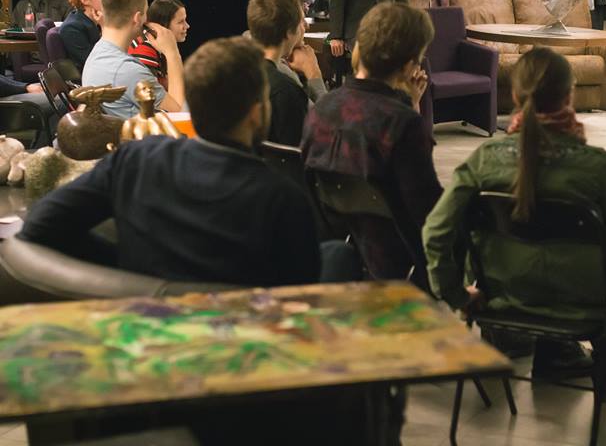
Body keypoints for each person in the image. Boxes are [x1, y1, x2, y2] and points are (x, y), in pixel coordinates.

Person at [423, 48, 606, 381]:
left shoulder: (485, 160)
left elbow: (435, 231)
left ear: (515, 96)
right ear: (569, 97)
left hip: (504, 295)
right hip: (582, 299)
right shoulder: (599, 167)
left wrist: (456, 296)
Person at [19, 36, 360, 286]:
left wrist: (127, 272)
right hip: (244, 336)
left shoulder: (133, 160)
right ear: (257, 113)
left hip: (146, 322)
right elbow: (298, 301)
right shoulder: (283, 198)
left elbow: (41, 224)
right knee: (339, 255)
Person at [302, 2, 435, 278]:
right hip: (398, 267)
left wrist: (408, 104)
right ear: (409, 65)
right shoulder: (403, 125)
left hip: (337, 257)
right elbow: (428, 214)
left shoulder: (322, 110)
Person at [81, 0, 185, 118]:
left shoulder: (97, 53)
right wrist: (172, 53)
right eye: (145, 13)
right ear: (137, 18)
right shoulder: (129, 71)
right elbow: (181, 116)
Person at [246, 0, 322, 146]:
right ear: (288, 32)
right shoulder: (286, 92)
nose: (305, 27)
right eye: (301, 22)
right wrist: (314, 74)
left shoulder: (230, 71)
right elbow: (325, 132)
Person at [128, 0, 189, 90]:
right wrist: (173, 54)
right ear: (163, 24)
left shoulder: (159, 46)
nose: (187, 26)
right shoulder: (144, 48)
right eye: (180, 22)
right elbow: (148, 95)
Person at [59, 0, 113, 70]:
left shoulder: (93, 22)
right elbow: (98, 62)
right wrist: (105, 28)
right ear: (84, 0)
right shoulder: (72, 28)